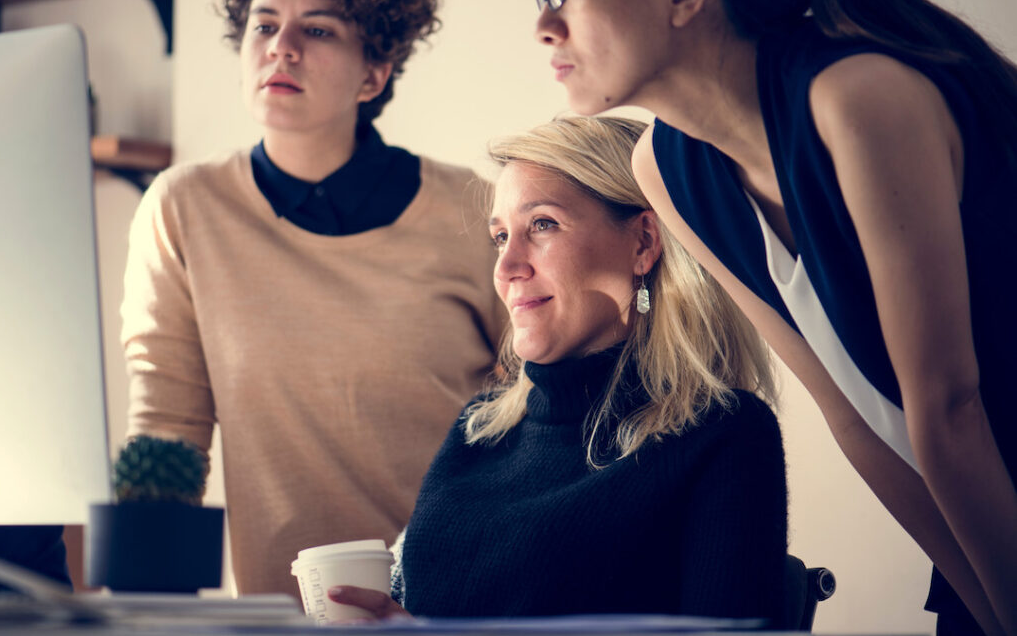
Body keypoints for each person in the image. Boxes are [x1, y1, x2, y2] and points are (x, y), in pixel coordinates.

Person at [532, 0, 1017, 634]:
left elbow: (949, 408)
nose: (542, 23)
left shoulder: (857, 100)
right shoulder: (665, 169)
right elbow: (854, 415)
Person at [121, 0, 504, 600]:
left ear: (374, 73)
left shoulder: (473, 208)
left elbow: (529, 418)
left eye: (318, 29)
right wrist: (144, 608)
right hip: (279, 611)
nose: (282, 47)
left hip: (452, 602)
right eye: (264, 25)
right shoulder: (184, 207)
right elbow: (167, 428)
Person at [328, 116, 788, 623]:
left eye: (542, 225)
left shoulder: (723, 434)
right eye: (500, 237)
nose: (505, 268)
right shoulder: (479, 429)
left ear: (643, 243)